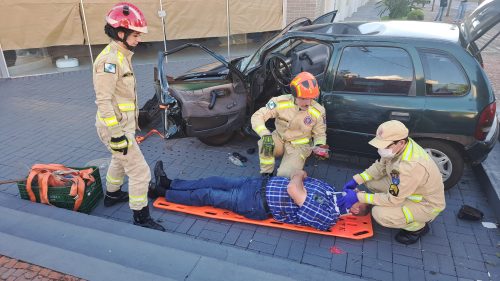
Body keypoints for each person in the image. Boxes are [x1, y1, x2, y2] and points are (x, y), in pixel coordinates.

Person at [93, 2, 164, 231]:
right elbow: (103, 101)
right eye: (135, 34)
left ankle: (112, 195)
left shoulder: (122, 55)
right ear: (120, 33)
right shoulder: (110, 61)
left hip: (123, 126)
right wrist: (116, 135)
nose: (139, 39)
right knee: (140, 172)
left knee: (119, 161)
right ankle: (141, 217)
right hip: (115, 128)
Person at [148, 162, 370, 231]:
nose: (356, 191)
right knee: (211, 180)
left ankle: (162, 193)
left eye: (359, 195)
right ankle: (171, 183)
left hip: (255, 204)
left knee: (207, 195)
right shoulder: (330, 192)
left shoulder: (327, 216)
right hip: (258, 184)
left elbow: (295, 187)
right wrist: (299, 180)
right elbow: (298, 175)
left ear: (356, 209)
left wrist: (299, 181)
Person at [339, 120, 446, 245]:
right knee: (371, 182)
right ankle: (395, 209)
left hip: (424, 204)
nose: (380, 149)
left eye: (384, 146)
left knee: (379, 214)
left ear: (400, 142)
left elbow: (393, 200)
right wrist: (357, 180)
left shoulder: (410, 166)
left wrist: (359, 196)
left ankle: (417, 228)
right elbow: (379, 167)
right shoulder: (399, 148)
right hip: (405, 188)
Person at [251, 72, 329, 178]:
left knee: (284, 177)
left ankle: (285, 170)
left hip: (299, 147)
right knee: (265, 143)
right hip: (279, 139)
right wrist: (265, 134)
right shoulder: (280, 102)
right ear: (294, 94)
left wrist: (319, 146)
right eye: (303, 98)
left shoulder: (318, 111)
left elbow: (320, 134)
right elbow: (258, 116)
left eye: (311, 98)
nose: (308, 102)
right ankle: (266, 174)